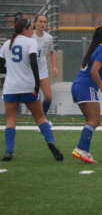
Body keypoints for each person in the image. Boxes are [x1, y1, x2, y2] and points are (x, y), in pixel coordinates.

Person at [1, 18, 63, 162]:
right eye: (30, 28)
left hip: (10, 87)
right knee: (40, 117)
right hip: (27, 86)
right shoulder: (30, 42)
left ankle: (8, 152)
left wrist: (12, 69)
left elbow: (1, 66)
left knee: (10, 120)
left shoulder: (7, 44)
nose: (32, 30)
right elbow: (34, 63)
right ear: (25, 29)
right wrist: (36, 85)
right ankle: (51, 142)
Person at [71, 24, 102, 164]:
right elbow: (93, 71)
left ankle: (84, 151)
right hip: (86, 87)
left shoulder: (99, 49)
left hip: (79, 85)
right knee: (95, 121)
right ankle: (80, 149)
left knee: (91, 121)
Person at [32, 15, 58, 114]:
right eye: (40, 21)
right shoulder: (30, 37)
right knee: (32, 98)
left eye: (44, 22)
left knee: (48, 97)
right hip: (30, 73)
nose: (42, 24)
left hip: (42, 72)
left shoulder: (48, 38)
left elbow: (52, 52)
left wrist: (54, 66)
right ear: (34, 23)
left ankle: (42, 116)